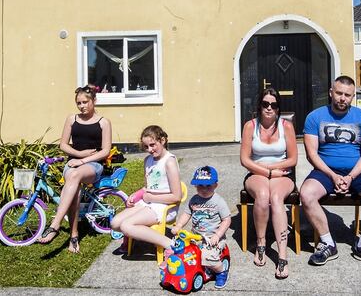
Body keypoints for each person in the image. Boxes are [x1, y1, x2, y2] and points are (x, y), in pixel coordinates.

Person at [299, 75, 361, 268]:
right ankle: (327, 243)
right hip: (324, 170)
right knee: (306, 194)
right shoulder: (315, 117)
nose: (343, 98)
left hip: (357, 171)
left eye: (347, 95)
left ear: (353, 96)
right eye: (339, 93)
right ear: (331, 93)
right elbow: (312, 154)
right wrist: (333, 176)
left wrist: (351, 177)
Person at [38, 85, 112, 253]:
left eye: (85, 102)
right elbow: (63, 145)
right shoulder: (72, 119)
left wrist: (83, 159)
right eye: (78, 103)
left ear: (94, 100)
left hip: (93, 165)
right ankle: (74, 236)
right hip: (72, 164)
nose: (82, 106)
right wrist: (78, 154)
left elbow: (105, 151)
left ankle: (55, 225)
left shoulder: (104, 123)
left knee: (75, 175)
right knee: (75, 188)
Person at [239, 88, 297, 279]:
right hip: (257, 173)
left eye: (273, 104)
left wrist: (274, 170)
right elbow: (245, 160)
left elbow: (293, 159)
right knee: (263, 197)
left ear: (278, 108)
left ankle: (282, 255)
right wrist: (268, 171)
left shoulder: (286, 126)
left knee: (276, 197)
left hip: (282, 174)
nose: (269, 108)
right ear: (259, 106)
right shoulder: (250, 126)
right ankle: (261, 243)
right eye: (265, 104)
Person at [111, 125, 182, 259]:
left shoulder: (169, 162)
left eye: (152, 145)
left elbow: (176, 197)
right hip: (148, 203)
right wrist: (136, 196)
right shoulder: (148, 161)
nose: (149, 150)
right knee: (115, 223)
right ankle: (141, 234)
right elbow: (148, 187)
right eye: (146, 146)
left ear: (162, 140)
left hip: (164, 207)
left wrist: (150, 197)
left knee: (126, 226)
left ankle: (171, 244)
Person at [170, 166, 232, 290]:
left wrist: (218, 235)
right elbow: (187, 214)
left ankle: (221, 271)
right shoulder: (194, 200)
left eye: (208, 186)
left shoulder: (218, 202)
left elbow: (227, 219)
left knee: (207, 257)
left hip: (213, 238)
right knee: (180, 251)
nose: (203, 189)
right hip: (196, 236)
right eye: (200, 186)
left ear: (215, 185)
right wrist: (179, 225)